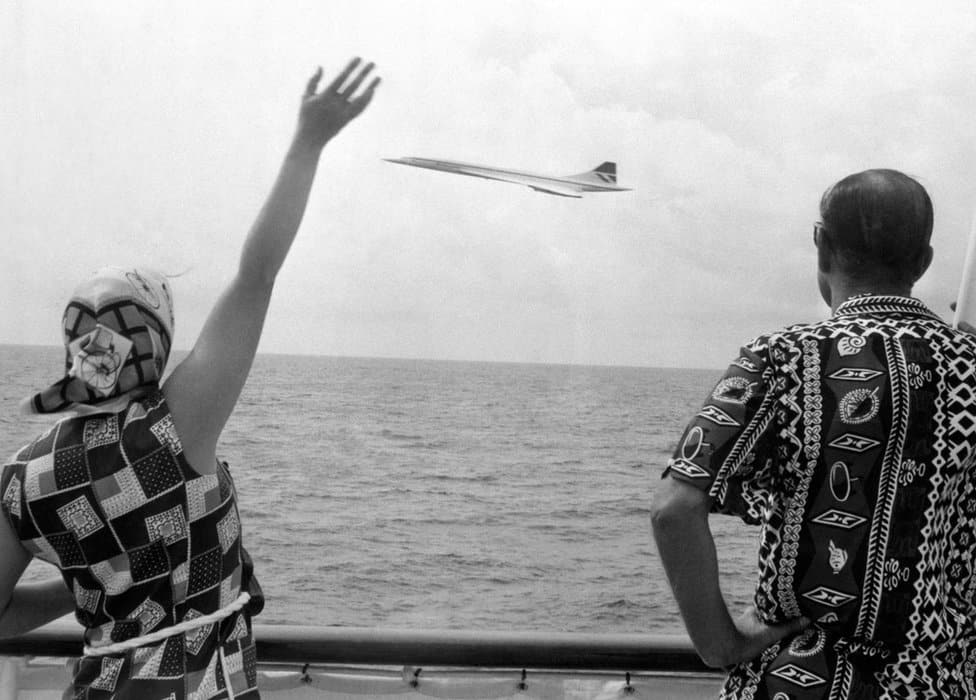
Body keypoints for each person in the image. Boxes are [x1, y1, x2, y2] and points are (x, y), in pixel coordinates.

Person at [0, 57, 379, 699]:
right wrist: (308, 143)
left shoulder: (19, 482)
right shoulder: (173, 429)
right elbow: (257, 276)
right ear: (156, 343)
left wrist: (90, 583)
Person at [651, 169, 976, 698]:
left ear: (821, 246)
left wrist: (721, 645)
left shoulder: (779, 358)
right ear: (923, 262)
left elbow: (674, 508)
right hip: (932, 684)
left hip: (791, 683)